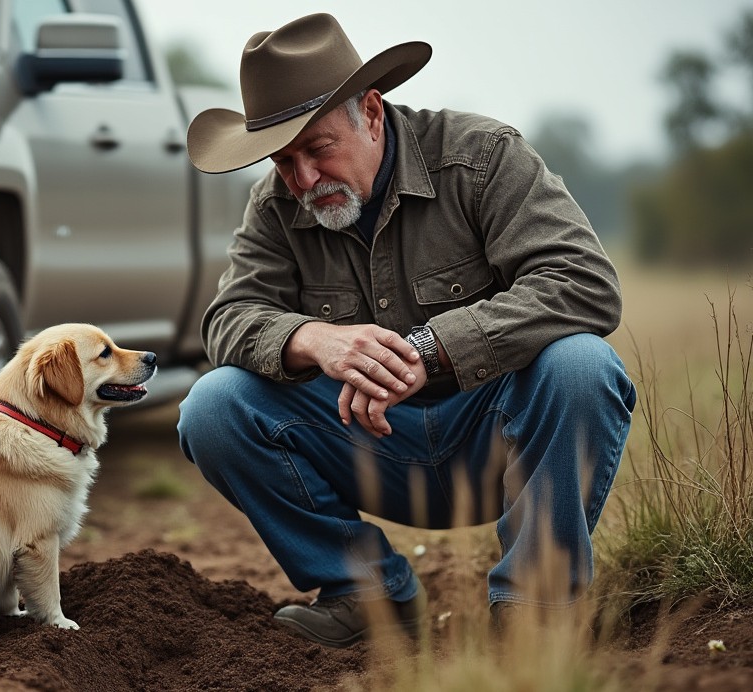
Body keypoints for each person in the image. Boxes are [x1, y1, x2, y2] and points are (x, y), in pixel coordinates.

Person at [177, 12, 636, 649]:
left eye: (318, 149)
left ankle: (538, 608)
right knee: (214, 405)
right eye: (284, 160)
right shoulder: (277, 204)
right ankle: (367, 599)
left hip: (495, 440)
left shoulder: (483, 158)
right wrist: (316, 340)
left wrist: (436, 347)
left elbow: (584, 281)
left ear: (370, 111)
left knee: (583, 365)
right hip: (370, 449)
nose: (303, 180)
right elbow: (228, 319)